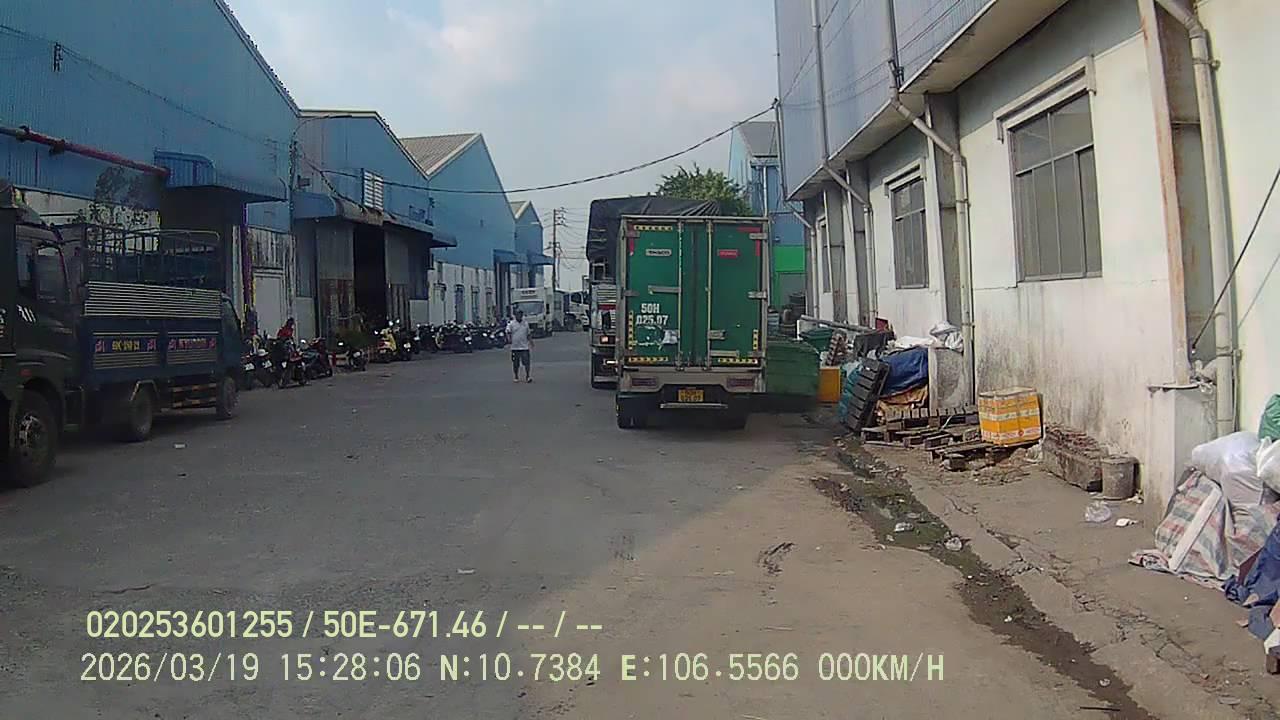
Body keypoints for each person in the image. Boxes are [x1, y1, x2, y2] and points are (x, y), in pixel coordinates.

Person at [506, 309, 533, 383]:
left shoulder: (525, 323)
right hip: (515, 347)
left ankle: (528, 376)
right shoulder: (511, 324)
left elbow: (528, 334)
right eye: (518, 314)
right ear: (515, 315)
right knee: (515, 363)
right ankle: (516, 376)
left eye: (520, 314)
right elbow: (508, 332)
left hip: (524, 347)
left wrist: (531, 342)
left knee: (526, 362)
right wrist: (509, 339)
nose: (519, 316)